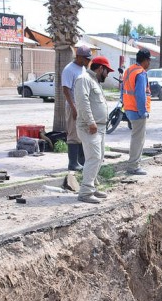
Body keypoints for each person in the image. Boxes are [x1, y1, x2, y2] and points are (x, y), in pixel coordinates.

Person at [74, 55, 113, 203]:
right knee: (93, 158)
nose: (107, 74)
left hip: (98, 127)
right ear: (100, 68)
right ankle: (85, 193)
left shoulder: (94, 81)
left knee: (99, 158)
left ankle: (91, 188)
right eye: (107, 71)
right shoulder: (84, 79)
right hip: (89, 127)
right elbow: (83, 103)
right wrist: (91, 122)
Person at [62, 44, 91, 171]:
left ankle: (81, 161)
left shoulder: (83, 69)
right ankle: (73, 163)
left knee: (82, 134)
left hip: (82, 106)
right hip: (73, 106)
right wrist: (73, 108)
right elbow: (66, 90)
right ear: (78, 57)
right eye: (86, 58)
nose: (88, 61)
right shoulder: (69, 69)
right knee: (73, 135)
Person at [122, 48, 151, 176]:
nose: (149, 63)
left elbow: (124, 91)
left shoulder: (129, 70)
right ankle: (134, 166)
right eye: (149, 60)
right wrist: (143, 111)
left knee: (136, 137)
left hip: (128, 108)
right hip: (137, 110)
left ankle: (134, 163)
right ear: (145, 60)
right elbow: (140, 95)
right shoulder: (141, 73)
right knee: (138, 139)